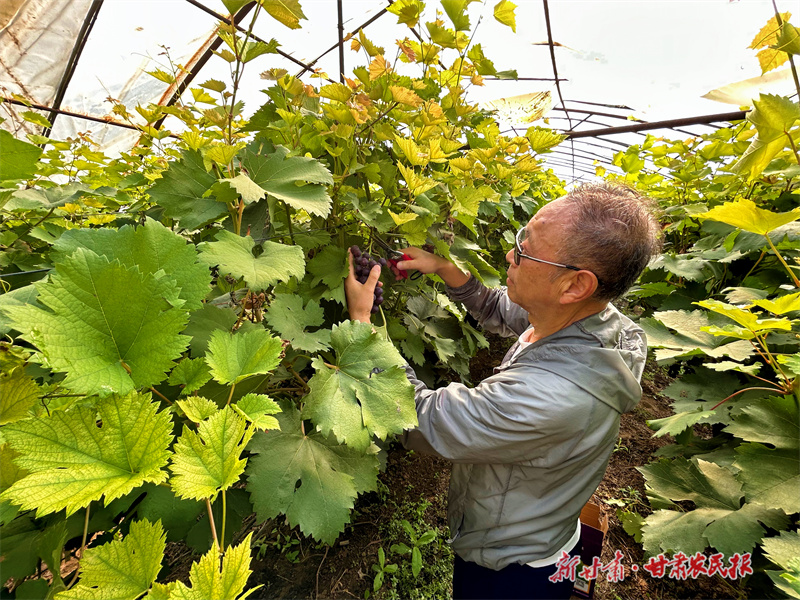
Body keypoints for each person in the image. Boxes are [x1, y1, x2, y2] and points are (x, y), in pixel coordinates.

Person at [344, 183, 662, 600]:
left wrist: (362, 324)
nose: (511, 256)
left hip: (512, 569)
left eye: (526, 251)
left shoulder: (548, 398)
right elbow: (497, 307)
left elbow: (420, 417)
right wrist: (443, 267)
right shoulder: (588, 320)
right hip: (538, 526)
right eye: (520, 239)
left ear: (574, 286)